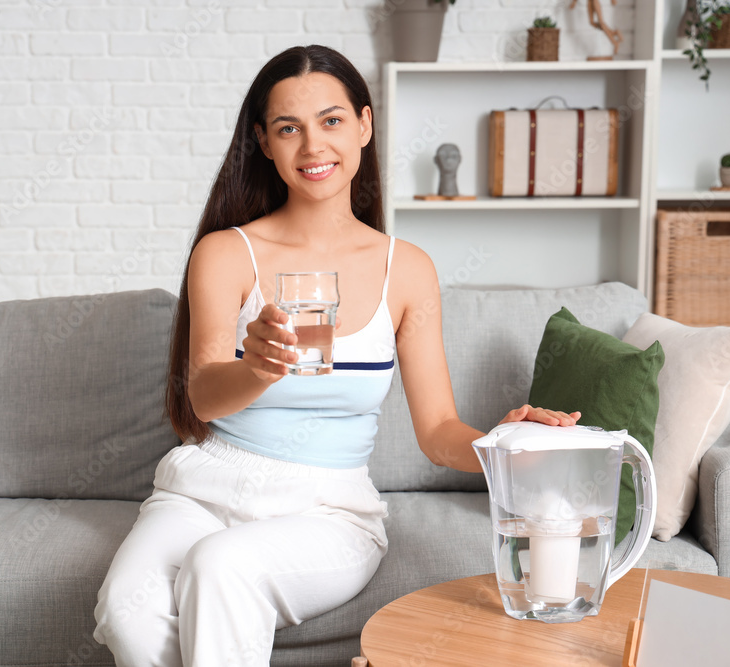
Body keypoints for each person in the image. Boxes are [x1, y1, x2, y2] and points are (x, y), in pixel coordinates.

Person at [92, 44, 579, 667]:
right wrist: (256, 368)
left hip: (328, 507)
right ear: (264, 144)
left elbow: (436, 431)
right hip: (203, 492)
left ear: (364, 126)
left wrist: (501, 445)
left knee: (222, 566)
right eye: (288, 128)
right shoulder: (224, 253)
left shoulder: (406, 269)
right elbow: (203, 396)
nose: (312, 147)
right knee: (125, 609)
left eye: (331, 121)